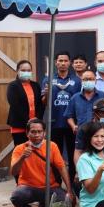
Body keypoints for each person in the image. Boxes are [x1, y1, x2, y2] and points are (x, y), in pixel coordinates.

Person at [10, 118, 74, 207]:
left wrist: (69, 190)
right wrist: (22, 157)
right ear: (27, 133)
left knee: (67, 201)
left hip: (50, 187)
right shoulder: (19, 149)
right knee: (17, 196)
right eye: (33, 132)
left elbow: (62, 168)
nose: (36, 135)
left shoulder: (52, 146)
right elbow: (13, 172)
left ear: (44, 133)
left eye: (39, 132)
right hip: (28, 187)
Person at [41, 51, 82, 183]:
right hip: (54, 123)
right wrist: (46, 94)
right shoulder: (48, 80)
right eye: (60, 60)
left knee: (72, 155)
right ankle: (56, 183)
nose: (63, 63)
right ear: (55, 62)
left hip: (71, 124)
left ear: (69, 63)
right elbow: (44, 102)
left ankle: (71, 184)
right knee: (54, 155)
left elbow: (79, 102)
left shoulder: (76, 80)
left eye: (65, 61)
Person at [74, 98, 104, 165]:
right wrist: (78, 170)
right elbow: (78, 152)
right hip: (90, 163)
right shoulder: (85, 129)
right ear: (95, 113)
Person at [7, 60, 43, 146]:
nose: (26, 72)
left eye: (28, 70)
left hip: (35, 126)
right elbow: (15, 105)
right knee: (22, 151)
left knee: (36, 152)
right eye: (23, 70)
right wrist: (28, 121)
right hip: (19, 125)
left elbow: (40, 104)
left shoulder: (36, 85)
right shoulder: (13, 86)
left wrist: (36, 120)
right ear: (17, 71)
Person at [65, 70, 104, 138]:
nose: (88, 81)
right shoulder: (75, 98)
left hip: (100, 135)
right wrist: (73, 126)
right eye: (85, 79)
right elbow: (69, 116)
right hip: (81, 134)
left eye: (91, 79)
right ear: (81, 81)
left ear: (96, 81)